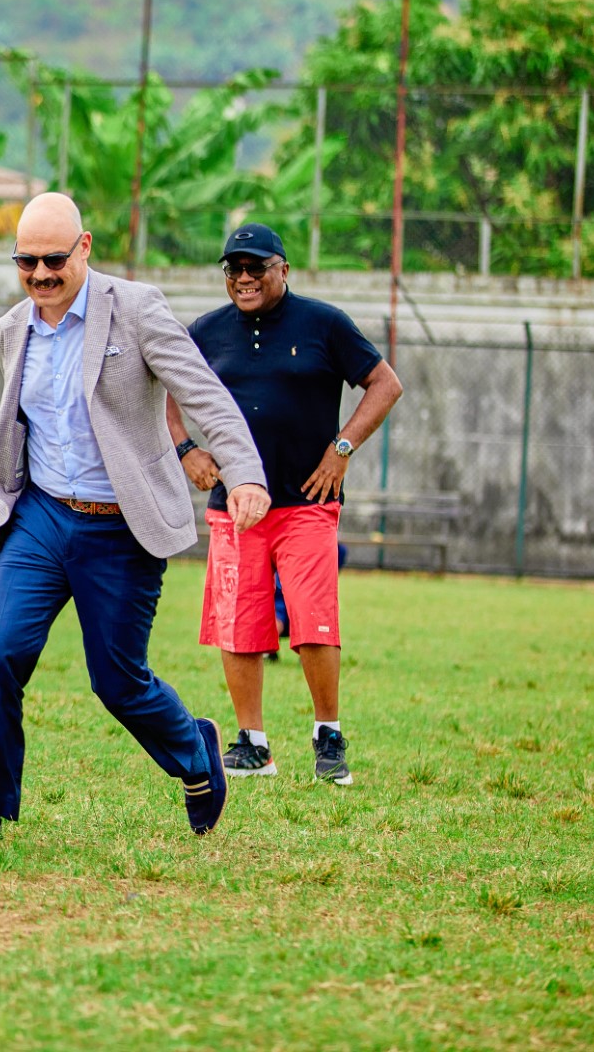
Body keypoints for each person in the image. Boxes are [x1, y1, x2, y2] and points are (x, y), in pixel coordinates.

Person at [0, 193, 271, 849]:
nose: (40, 275)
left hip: (121, 528)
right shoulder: (12, 329)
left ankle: (195, 753)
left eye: (53, 260)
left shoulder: (137, 310)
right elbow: (11, 440)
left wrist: (246, 473)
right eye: (26, 262)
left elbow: (205, 395)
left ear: (84, 247)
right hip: (40, 519)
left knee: (118, 682)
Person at [167, 222, 403, 787]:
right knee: (238, 625)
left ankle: (328, 736)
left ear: (284, 270)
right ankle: (252, 744)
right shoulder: (207, 332)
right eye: (234, 269)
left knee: (313, 622)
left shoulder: (323, 323)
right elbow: (161, 389)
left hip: (307, 501)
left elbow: (385, 384)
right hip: (235, 504)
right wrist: (185, 450)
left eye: (257, 267)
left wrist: (341, 449)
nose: (244, 278)